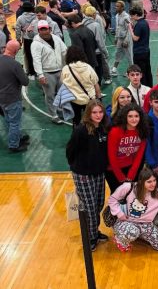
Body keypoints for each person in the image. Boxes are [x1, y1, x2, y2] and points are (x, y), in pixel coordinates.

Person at [66, 100, 109, 251]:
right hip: (83, 174)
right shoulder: (81, 130)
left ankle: (95, 231)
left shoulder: (104, 128)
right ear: (88, 114)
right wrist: (77, 167)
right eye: (94, 112)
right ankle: (90, 237)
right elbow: (70, 150)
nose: (98, 115)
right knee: (89, 208)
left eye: (100, 112)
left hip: (98, 173)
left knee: (98, 204)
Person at [109, 167, 158, 251]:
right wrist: (119, 213)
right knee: (131, 232)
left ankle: (139, 235)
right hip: (127, 221)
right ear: (141, 181)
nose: (153, 184)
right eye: (149, 182)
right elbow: (112, 199)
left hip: (146, 225)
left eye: (154, 180)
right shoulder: (129, 187)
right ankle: (120, 238)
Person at [31, 20, 67, 124]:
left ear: (49, 29)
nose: (44, 31)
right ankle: (54, 115)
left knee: (61, 93)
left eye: (45, 29)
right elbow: (36, 60)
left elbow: (64, 51)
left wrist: (66, 67)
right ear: (38, 31)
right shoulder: (36, 44)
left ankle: (59, 108)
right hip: (47, 73)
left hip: (60, 70)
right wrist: (40, 75)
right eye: (41, 29)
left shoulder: (56, 38)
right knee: (50, 95)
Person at [106, 103, 147, 193]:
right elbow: (112, 157)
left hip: (130, 167)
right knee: (118, 197)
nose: (134, 119)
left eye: (136, 116)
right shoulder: (115, 131)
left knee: (131, 196)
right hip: (114, 170)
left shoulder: (142, 130)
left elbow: (139, 156)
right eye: (130, 116)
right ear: (125, 117)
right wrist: (120, 177)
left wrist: (132, 174)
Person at [0, 40, 30, 153]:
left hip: (1, 99)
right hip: (12, 98)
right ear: (16, 51)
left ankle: (18, 137)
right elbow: (25, 82)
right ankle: (14, 145)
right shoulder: (15, 65)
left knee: (8, 120)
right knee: (14, 122)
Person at [60, 46, 101, 126]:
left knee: (76, 120)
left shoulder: (66, 69)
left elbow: (63, 83)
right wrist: (99, 98)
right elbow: (96, 84)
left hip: (74, 100)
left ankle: (77, 134)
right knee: (91, 120)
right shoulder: (88, 67)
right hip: (89, 99)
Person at [130, 7, 152, 86]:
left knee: (140, 71)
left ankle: (143, 87)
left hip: (139, 52)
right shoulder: (145, 22)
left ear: (136, 15)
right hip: (146, 50)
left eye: (132, 16)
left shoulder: (139, 24)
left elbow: (135, 38)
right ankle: (149, 86)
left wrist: (131, 30)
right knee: (147, 70)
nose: (131, 17)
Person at [111, 1, 133, 75]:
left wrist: (126, 41)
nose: (116, 7)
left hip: (126, 39)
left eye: (118, 6)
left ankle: (131, 71)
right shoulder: (117, 16)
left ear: (122, 7)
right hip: (120, 38)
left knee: (129, 55)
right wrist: (116, 38)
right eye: (116, 6)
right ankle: (114, 69)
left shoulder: (126, 17)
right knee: (117, 52)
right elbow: (117, 28)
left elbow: (129, 30)